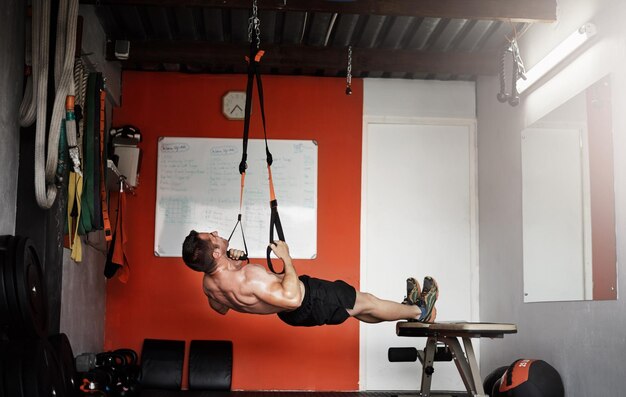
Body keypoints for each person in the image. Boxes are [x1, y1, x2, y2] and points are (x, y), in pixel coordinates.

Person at [181, 230, 439, 326]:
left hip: (291, 315)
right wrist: (287, 258)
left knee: (357, 310)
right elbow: (292, 298)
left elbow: (223, 308)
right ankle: (420, 311)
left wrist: (232, 264)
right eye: (212, 237)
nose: (215, 232)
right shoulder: (249, 277)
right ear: (216, 252)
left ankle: (406, 311)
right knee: (366, 301)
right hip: (308, 301)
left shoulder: (209, 284)